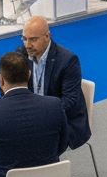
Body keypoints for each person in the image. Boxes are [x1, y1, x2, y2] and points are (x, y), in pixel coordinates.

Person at [16, 15, 91, 150]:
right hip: (31, 118)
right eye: (25, 39)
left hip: (63, 121)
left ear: (47, 36)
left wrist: (40, 117)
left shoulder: (68, 60)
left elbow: (69, 102)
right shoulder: (22, 54)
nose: (27, 45)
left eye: (33, 39)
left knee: (32, 145)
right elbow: (11, 86)